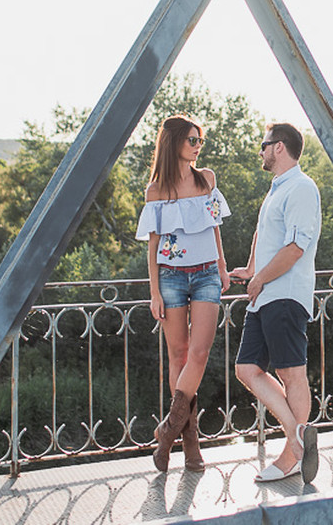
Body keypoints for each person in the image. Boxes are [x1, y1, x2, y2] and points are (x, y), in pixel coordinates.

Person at [135, 115, 231, 472]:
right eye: (192, 140)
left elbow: (215, 225)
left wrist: (221, 265)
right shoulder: (156, 190)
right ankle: (190, 443)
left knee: (199, 352)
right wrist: (154, 291)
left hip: (206, 272)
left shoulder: (207, 179)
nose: (197, 146)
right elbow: (153, 244)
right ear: (173, 142)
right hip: (171, 278)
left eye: (199, 140)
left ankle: (168, 429)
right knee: (178, 355)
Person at [229, 122, 322, 484]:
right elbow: (264, 234)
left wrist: (260, 277)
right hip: (265, 294)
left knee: (291, 373)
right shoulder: (278, 189)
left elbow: (296, 247)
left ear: (279, 147)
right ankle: (299, 440)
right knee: (246, 368)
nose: (261, 151)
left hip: (285, 294)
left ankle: (290, 457)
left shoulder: (301, 187)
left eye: (264, 145)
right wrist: (252, 268)